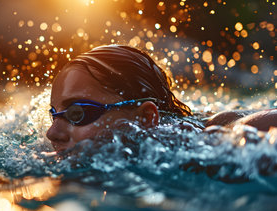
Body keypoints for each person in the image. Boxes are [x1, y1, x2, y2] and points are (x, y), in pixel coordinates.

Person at [46, 44, 277, 152]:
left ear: (146, 118)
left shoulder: (219, 141)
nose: (52, 134)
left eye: (77, 113)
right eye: (54, 114)